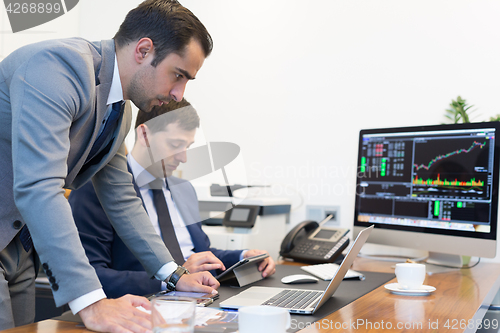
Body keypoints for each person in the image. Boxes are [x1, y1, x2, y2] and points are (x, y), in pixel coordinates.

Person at [0, 0, 219, 331]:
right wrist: (91, 301)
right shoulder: (57, 68)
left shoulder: (120, 112)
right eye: (178, 75)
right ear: (143, 50)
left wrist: (173, 274)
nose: (178, 94)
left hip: (19, 249)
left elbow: (121, 197)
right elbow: (39, 187)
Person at [69, 99, 276, 298]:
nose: (183, 157)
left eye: (187, 146)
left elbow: (202, 253)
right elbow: (91, 276)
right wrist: (173, 277)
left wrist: (244, 257)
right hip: (143, 306)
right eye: (175, 144)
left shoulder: (183, 189)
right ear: (144, 135)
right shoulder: (96, 188)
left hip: (198, 300)